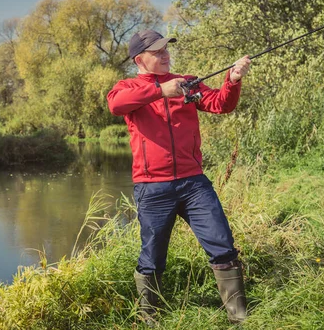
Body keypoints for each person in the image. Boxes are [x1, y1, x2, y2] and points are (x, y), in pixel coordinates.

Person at [106, 29, 251, 324]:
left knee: (222, 245)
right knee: (152, 258)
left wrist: (233, 79)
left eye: (166, 49)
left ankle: (239, 318)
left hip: (194, 183)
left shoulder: (187, 83)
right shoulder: (128, 86)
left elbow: (221, 104)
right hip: (152, 187)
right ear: (139, 59)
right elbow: (115, 105)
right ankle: (152, 319)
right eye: (157, 51)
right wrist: (160, 90)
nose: (165, 54)